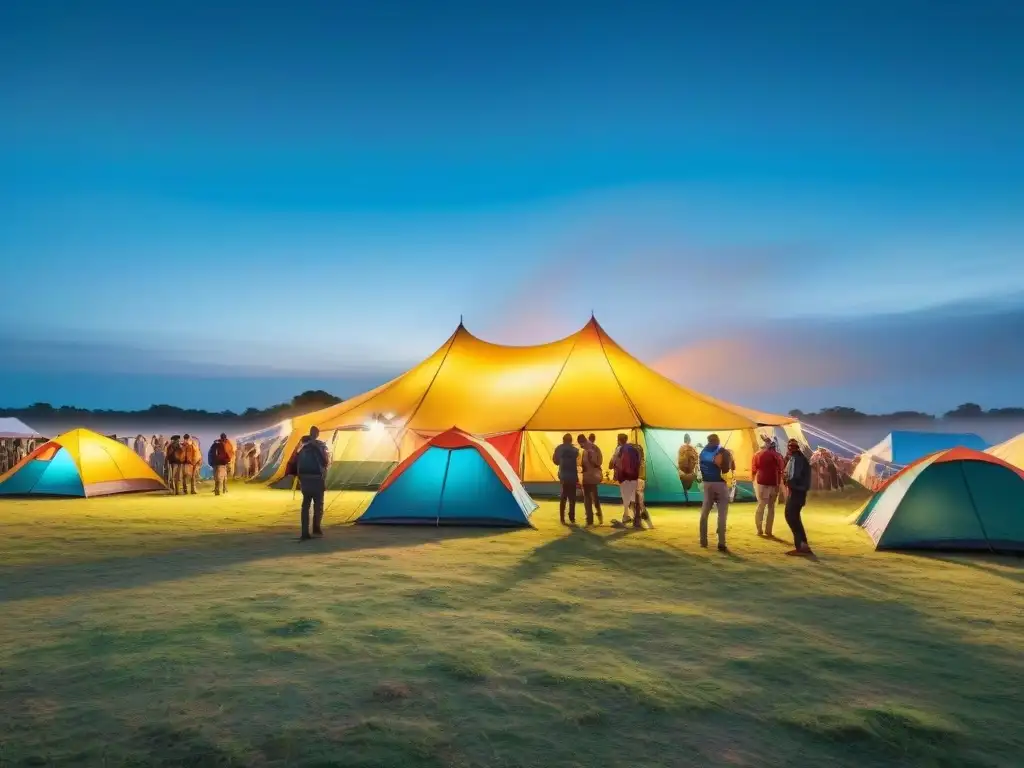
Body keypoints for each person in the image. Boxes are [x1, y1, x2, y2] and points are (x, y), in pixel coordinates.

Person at [698, 434, 731, 551]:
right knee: (722, 514)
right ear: (717, 440)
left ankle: (703, 541)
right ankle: (721, 542)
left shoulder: (702, 452)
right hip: (720, 484)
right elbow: (726, 469)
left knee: (704, 512)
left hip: (707, 484)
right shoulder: (721, 451)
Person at [296, 427, 330, 539]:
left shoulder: (302, 447)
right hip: (317, 479)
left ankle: (304, 531)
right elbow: (325, 463)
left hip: (305, 479)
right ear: (317, 434)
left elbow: (297, 463)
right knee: (318, 505)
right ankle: (316, 527)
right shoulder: (319, 446)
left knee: (305, 505)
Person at [783, 438, 813, 555]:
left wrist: (789, 483)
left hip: (796, 492)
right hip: (798, 491)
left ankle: (801, 547)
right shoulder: (797, 458)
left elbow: (793, 475)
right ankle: (803, 545)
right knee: (794, 518)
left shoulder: (796, 459)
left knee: (791, 517)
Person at [752, 436, 785, 537]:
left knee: (761, 506)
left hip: (761, 483)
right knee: (771, 507)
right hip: (774, 483)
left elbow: (754, 469)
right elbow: (781, 468)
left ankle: (759, 529)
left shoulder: (757, 454)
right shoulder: (778, 455)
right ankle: (768, 530)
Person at [609, 432, 643, 528]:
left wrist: (612, 466)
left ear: (619, 440)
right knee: (632, 497)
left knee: (625, 497)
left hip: (624, 476)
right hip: (634, 476)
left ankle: (626, 516)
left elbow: (612, 462)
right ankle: (636, 517)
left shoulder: (619, 449)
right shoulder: (634, 448)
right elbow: (639, 461)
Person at [552, 433, 580, 525]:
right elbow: (579, 461)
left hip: (563, 475)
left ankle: (562, 517)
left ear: (563, 440)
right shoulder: (575, 450)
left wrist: (561, 462)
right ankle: (572, 517)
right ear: (571, 440)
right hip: (573, 475)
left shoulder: (559, 448)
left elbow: (555, 461)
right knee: (572, 497)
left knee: (563, 496)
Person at [577, 434, 603, 526]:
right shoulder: (591, 448)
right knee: (592, 497)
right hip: (591, 477)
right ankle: (595, 516)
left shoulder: (588, 450)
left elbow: (597, 462)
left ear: (582, 442)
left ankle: (591, 519)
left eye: (580, 444)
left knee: (589, 498)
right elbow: (599, 462)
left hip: (589, 477)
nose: (580, 446)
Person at [677, 433, 699, 504]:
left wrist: (679, 469)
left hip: (683, 473)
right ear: (690, 440)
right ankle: (688, 500)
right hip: (690, 473)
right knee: (688, 486)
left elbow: (679, 460)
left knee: (685, 488)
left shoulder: (681, 448)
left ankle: (687, 500)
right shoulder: (693, 449)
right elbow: (696, 460)